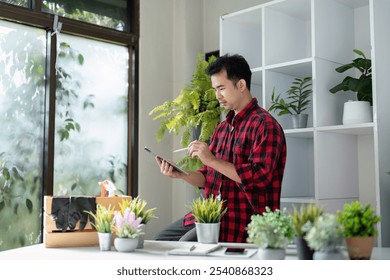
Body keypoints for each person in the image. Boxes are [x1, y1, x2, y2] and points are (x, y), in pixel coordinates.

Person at [154, 54, 287, 243]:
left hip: (241, 221)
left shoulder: (265, 125)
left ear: (241, 85)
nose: (217, 96)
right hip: (210, 216)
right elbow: (208, 176)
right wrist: (181, 174)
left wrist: (211, 159)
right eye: (215, 89)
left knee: (183, 248)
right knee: (161, 240)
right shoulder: (223, 128)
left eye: (221, 88)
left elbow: (258, 178)